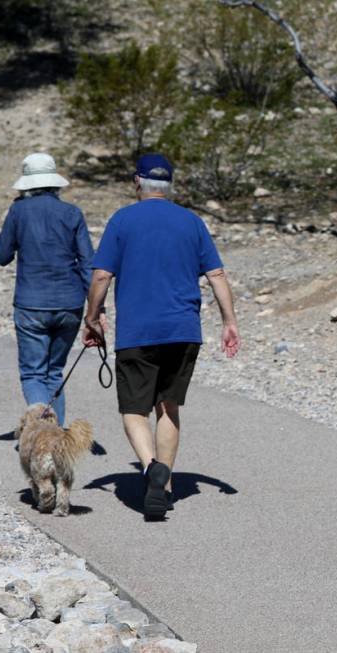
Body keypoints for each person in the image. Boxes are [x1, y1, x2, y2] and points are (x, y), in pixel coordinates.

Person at [82, 154, 240, 521]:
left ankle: (152, 466)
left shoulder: (122, 219)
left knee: (134, 410)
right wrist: (229, 322)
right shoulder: (191, 221)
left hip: (138, 331)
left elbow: (102, 276)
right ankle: (163, 490)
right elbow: (216, 275)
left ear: (137, 182)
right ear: (169, 185)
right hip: (183, 331)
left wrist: (92, 318)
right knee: (168, 407)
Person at [0, 153, 95, 426]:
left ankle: (43, 434)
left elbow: (1, 255)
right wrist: (97, 310)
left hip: (31, 304)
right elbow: (88, 264)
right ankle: (56, 437)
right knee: (54, 372)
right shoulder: (72, 213)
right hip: (70, 304)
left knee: (33, 374)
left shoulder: (18, 211)